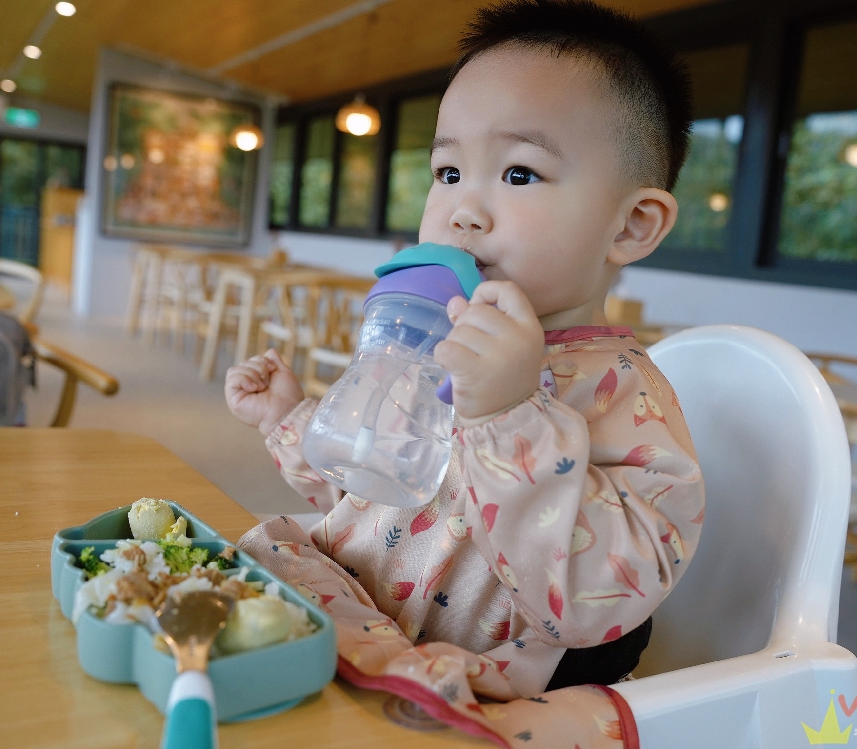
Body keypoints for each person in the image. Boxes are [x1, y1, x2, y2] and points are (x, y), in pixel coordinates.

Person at [226, 0, 703, 696]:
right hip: (344, 620)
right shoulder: (438, 339)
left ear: (630, 223)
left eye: (517, 174)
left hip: (461, 689)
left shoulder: (629, 396)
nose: (461, 209)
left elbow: (595, 598)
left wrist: (509, 415)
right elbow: (385, 488)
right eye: (448, 173)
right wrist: (291, 418)